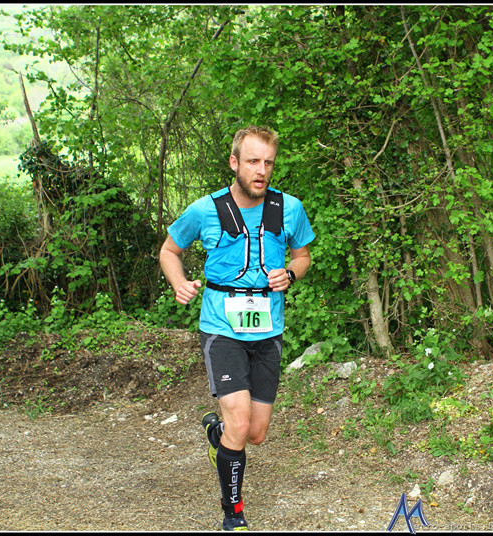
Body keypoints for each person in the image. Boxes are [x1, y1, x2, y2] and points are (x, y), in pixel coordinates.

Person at [159, 126, 315, 531]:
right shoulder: (205, 209)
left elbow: (303, 256)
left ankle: (218, 436)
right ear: (234, 162)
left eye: (268, 163)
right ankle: (233, 514)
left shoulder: (288, 208)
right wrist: (178, 282)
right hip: (221, 327)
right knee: (241, 424)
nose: (261, 170)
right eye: (252, 161)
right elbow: (169, 250)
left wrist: (290, 274)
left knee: (256, 433)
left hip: (268, 329)